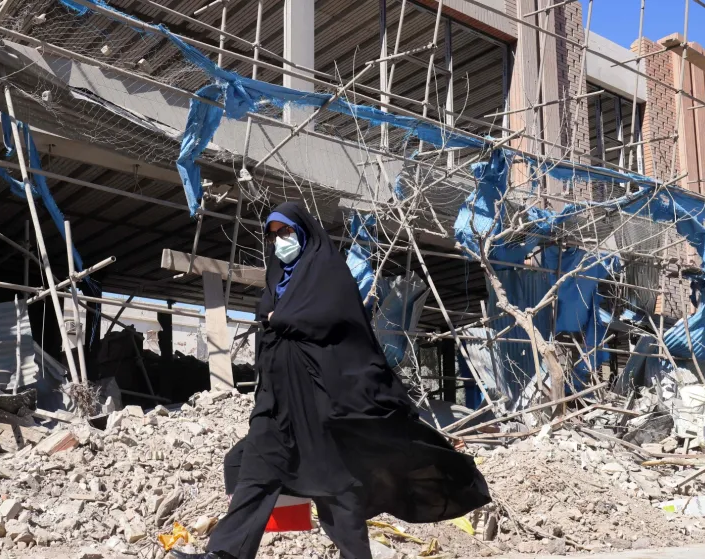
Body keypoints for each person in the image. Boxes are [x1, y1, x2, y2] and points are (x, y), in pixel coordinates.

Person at [171, 202, 490, 559]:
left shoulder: (328, 272)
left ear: (304, 233)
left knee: (337, 492)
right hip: (278, 409)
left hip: (322, 406)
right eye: (274, 235)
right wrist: (276, 325)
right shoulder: (278, 281)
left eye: (287, 232)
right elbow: (271, 323)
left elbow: (328, 318)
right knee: (255, 473)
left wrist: (282, 318)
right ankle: (225, 554)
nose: (280, 241)